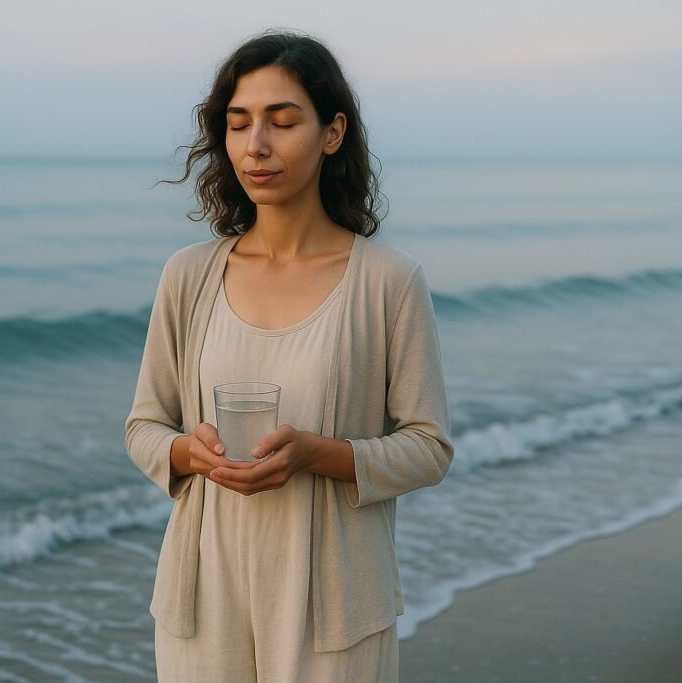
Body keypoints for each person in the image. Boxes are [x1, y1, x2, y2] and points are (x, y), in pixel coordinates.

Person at [125, 30, 454, 682]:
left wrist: (316, 453)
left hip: (334, 603)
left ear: (332, 133)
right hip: (203, 597)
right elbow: (143, 427)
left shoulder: (388, 281)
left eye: (283, 121)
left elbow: (429, 445)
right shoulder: (188, 276)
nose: (257, 146)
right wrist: (191, 452)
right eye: (239, 122)